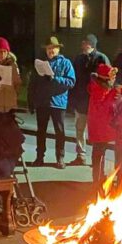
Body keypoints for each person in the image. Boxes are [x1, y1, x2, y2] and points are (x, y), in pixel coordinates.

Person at [27, 36, 76, 168]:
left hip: (58, 102)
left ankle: (60, 157)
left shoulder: (65, 63)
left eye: (53, 48)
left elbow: (71, 82)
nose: (50, 51)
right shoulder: (40, 64)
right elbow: (32, 84)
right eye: (48, 48)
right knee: (41, 131)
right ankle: (39, 157)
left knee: (59, 131)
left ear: (58, 49)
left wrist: (56, 79)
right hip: (42, 102)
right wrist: (31, 101)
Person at [68, 34, 110, 166]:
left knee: (96, 131)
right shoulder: (79, 59)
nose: (83, 45)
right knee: (80, 128)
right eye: (83, 43)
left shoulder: (101, 58)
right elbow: (74, 78)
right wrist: (73, 99)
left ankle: (98, 157)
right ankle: (81, 155)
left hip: (96, 102)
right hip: (81, 100)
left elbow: (108, 79)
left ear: (92, 44)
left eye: (86, 43)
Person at [86, 63, 119, 187]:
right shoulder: (99, 89)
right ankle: (97, 178)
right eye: (112, 75)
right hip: (99, 125)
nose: (114, 78)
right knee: (99, 152)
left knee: (100, 151)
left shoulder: (101, 87)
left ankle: (99, 176)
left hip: (100, 124)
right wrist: (113, 94)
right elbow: (102, 107)